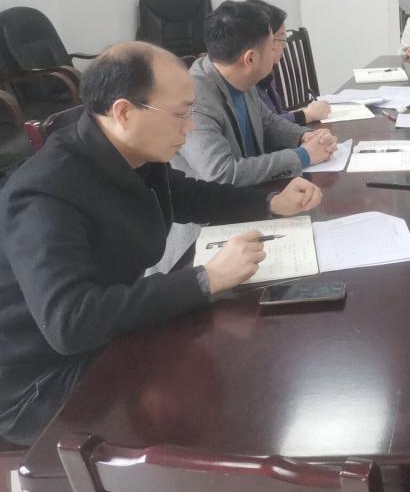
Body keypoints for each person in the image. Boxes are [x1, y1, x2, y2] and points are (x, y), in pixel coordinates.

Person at [0, 42, 323, 444]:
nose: (190, 127)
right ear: (123, 112)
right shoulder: (45, 194)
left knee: (231, 353)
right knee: (207, 395)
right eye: (180, 114)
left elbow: (185, 193)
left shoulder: (126, 151)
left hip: (104, 335)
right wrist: (205, 278)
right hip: (38, 379)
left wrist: (269, 203)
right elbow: (71, 322)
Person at [175, 0, 338, 185]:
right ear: (250, 59)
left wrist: (304, 136)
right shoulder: (194, 100)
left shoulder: (239, 76)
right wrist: (302, 156)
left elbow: (267, 122)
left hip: (255, 192)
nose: (278, 50)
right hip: (221, 201)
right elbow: (220, 174)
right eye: (271, 46)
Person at [249, 0, 330, 125]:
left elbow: (275, 116)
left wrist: (299, 113)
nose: (285, 45)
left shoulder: (267, 72)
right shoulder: (247, 82)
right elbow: (264, 126)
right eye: (281, 38)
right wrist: (305, 115)